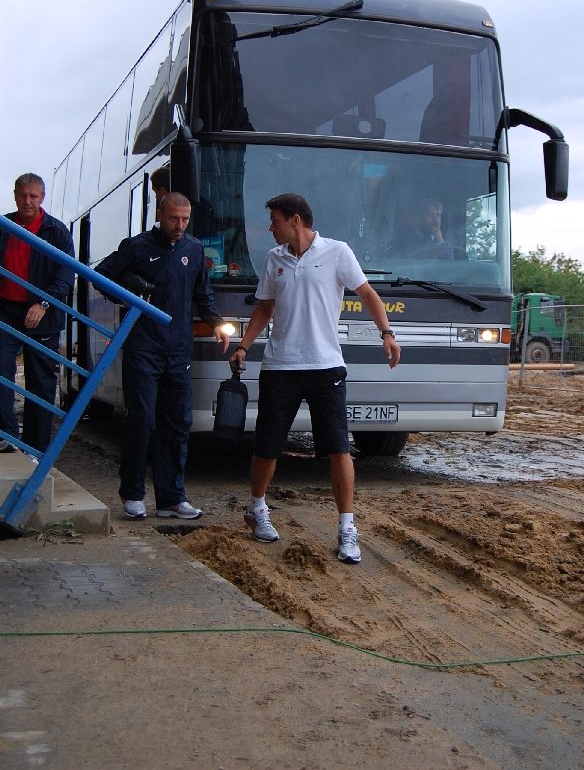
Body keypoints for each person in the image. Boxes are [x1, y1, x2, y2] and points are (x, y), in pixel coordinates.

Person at [229, 193, 401, 564]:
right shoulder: (275, 259)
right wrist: (244, 346)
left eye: (274, 220)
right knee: (267, 446)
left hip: (326, 367)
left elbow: (367, 293)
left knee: (339, 448)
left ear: (295, 220)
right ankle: (256, 508)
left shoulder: (337, 252)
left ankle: (347, 529)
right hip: (280, 367)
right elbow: (265, 308)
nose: (270, 228)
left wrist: (386, 333)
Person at [96, 192, 229, 520]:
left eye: (185, 219)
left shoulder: (194, 249)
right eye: (174, 218)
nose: (180, 225)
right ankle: (133, 494)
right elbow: (102, 276)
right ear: (160, 214)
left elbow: (203, 292)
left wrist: (215, 322)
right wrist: (129, 291)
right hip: (143, 347)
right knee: (142, 419)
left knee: (177, 422)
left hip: (178, 349)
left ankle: (172, 497)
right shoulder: (137, 246)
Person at [0, 173, 75, 453]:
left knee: (41, 383)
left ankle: (35, 450)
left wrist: (43, 303)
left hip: (42, 313)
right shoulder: (4, 226)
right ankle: (6, 436)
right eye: (23, 195)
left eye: (34, 196)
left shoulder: (56, 231)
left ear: (42, 198)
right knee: (1, 371)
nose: (28, 201)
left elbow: (66, 275)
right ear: (15, 195)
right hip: (6, 310)